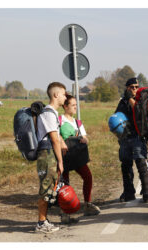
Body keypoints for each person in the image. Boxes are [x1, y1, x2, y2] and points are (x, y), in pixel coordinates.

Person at [59, 94, 101, 224]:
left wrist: (85, 140)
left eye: (76, 105)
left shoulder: (78, 122)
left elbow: (86, 137)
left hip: (77, 156)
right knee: (64, 185)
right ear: (65, 106)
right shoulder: (59, 120)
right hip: (64, 157)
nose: (75, 107)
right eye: (73, 105)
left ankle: (87, 204)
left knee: (88, 177)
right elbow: (55, 136)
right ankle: (65, 213)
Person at [35, 82, 66, 233]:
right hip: (47, 155)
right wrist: (60, 162)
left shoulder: (52, 113)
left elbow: (57, 138)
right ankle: (41, 223)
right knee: (45, 188)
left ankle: (44, 220)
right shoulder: (48, 113)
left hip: (50, 155)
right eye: (63, 94)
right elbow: (54, 139)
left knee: (49, 187)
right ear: (55, 95)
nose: (65, 97)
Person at [115, 77, 148, 203]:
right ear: (127, 88)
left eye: (136, 87)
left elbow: (140, 112)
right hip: (125, 138)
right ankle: (129, 192)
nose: (135, 89)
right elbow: (116, 117)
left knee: (141, 164)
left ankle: (147, 193)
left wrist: (131, 99)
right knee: (125, 166)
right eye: (132, 87)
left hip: (138, 137)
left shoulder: (140, 99)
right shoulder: (123, 102)